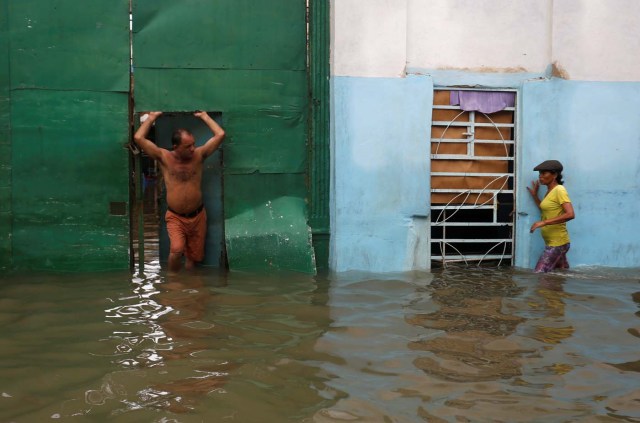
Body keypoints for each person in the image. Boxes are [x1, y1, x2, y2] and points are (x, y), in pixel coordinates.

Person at [134, 111, 225, 272]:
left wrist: (204, 116)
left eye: (193, 144)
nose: (192, 148)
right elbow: (138, 138)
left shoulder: (199, 155)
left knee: (193, 258)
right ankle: (173, 285)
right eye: (188, 146)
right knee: (176, 250)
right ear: (176, 147)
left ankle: (187, 289)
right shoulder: (164, 157)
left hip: (198, 216)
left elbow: (220, 134)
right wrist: (152, 117)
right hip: (175, 216)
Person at [527, 159, 575, 273]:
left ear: (554, 175)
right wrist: (534, 196)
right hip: (554, 242)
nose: (540, 177)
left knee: (539, 274)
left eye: (544, 173)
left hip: (557, 243)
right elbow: (545, 210)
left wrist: (544, 222)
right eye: (540, 174)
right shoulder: (550, 191)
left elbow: (570, 214)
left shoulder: (559, 190)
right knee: (560, 275)